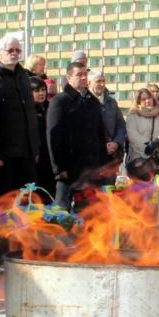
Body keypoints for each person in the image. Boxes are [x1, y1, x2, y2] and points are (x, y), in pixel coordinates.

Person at [46, 61, 107, 207]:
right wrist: (58, 168)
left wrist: (103, 163)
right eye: (79, 74)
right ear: (69, 78)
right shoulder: (60, 101)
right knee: (62, 209)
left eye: (85, 74)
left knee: (90, 210)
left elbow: (100, 134)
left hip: (91, 166)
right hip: (69, 167)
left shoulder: (92, 101)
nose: (84, 78)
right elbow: (53, 136)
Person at [0, 34, 41, 196]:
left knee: (28, 199)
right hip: (4, 153)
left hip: (26, 151)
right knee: (6, 200)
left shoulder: (24, 76)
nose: (14, 54)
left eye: (18, 50)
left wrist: (35, 148)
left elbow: (31, 113)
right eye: (10, 50)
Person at [124, 87, 159, 171]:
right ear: (138, 102)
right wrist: (148, 146)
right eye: (143, 99)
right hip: (139, 160)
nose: (147, 101)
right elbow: (132, 136)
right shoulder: (132, 115)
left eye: (149, 98)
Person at [91, 70, 126, 179]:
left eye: (103, 81)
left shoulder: (111, 102)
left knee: (109, 189)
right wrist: (102, 145)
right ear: (89, 83)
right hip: (93, 156)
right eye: (98, 81)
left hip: (111, 155)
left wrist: (116, 142)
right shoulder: (84, 102)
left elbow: (121, 125)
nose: (101, 84)